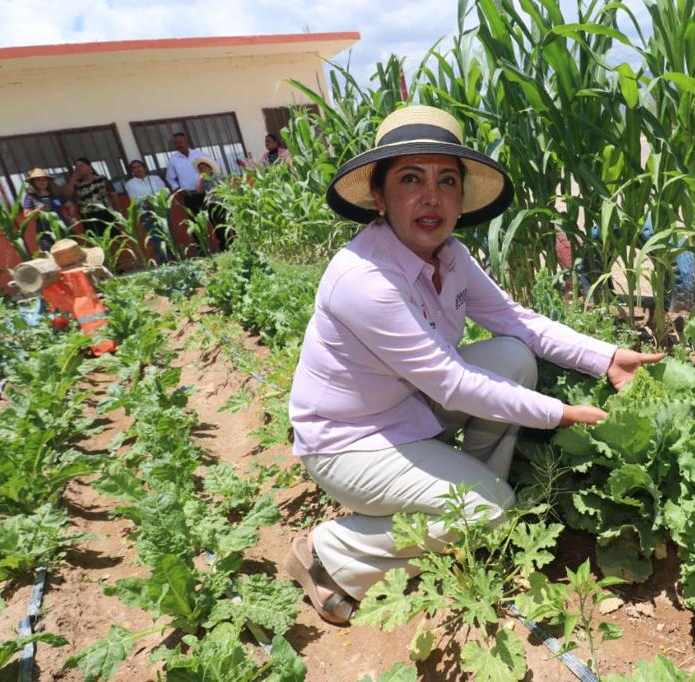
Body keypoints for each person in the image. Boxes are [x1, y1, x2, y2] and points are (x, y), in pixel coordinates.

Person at [284, 105, 664, 624]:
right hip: (348, 444)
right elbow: (451, 383)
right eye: (410, 179)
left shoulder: (451, 255)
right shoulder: (364, 279)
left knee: (512, 356)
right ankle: (333, 552)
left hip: (409, 414)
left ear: (461, 198)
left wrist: (607, 358)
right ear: (379, 196)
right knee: (489, 508)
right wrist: (562, 413)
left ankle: (473, 515)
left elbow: (517, 320)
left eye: (446, 181)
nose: (431, 197)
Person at [125, 160, 172, 263]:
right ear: (132, 171)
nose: (137, 169)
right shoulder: (130, 184)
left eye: (139, 166)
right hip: (146, 213)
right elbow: (134, 199)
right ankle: (164, 260)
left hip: (161, 210)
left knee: (168, 234)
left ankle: (174, 257)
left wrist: (156, 200)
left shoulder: (155, 178)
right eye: (134, 168)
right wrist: (148, 201)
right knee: (156, 237)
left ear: (145, 168)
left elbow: (165, 191)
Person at [64, 157, 119, 238]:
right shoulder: (76, 184)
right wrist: (73, 178)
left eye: (81, 166)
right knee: (97, 240)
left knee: (113, 238)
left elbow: (113, 194)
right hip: (89, 216)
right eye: (76, 166)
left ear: (89, 167)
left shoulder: (101, 178)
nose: (78, 168)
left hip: (106, 212)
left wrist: (118, 210)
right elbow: (66, 194)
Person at [22, 168, 68, 252]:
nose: (42, 182)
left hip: (62, 229)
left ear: (48, 181)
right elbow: (27, 215)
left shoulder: (55, 194)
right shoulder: (30, 197)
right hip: (45, 233)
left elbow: (69, 204)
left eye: (44, 179)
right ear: (33, 183)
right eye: (38, 180)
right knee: (51, 256)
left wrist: (71, 216)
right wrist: (38, 209)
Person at [164, 132, 205, 217]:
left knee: (214, 218)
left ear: (187, 141)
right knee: (196, 221)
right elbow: (170, 178)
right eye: (176, 143)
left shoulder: (199, 154)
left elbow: (212, 168)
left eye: (180, 142)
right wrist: (178, 189)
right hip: (189, 196)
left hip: (205, 192)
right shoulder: (173, 160)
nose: (178, 145)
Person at [193, 157, 229, 250]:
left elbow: (221, 189)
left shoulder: (217, 176)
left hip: (222, 203)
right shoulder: (203, 179)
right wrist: (200, 180)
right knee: (217, 226)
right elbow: (198, 191)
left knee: (227, 224)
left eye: (204, 168)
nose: (203, 170)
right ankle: (224, 247)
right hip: (212, 205)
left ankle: (232, 243)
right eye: (200, 169)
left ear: (210, 168)